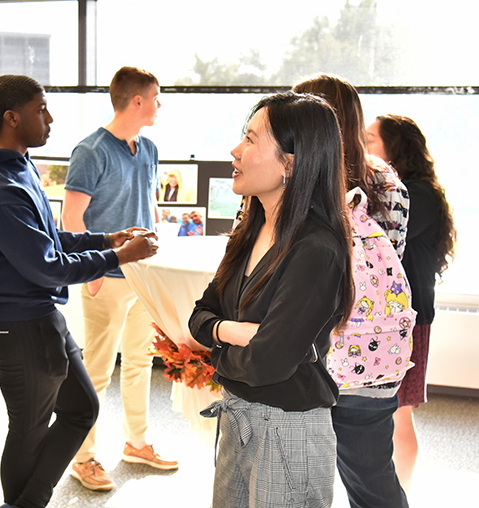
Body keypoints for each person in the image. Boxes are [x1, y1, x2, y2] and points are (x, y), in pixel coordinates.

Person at [0, 74, 158, 508]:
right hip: (14, 319)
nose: (50, 117)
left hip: (35, 313)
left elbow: (48, 238)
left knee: (81, 408)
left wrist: (107, 239)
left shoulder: (18, 164)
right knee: (30, 427)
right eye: (41, 109)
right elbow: (46, 266)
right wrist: (121, 258)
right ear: (11, 118)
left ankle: (27, 502)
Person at [189, 91, 353, 507]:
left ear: (291, 163)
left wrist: (218, 350)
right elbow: (198, 317)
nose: (235, 150)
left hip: (288, 429)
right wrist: (235, 331)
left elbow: (269, 362)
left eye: (250, 139)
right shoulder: (250, 228)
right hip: (239, 415)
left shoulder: (317, 249)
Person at [294, 74, 411, 508]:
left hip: (301, 356)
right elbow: (391, 261)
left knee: (293, 480)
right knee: (372, 480)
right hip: (372, 355)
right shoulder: (386, 181)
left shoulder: (291, 175)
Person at [63, 66, 178, 492]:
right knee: (96, 370)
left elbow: (149, 207)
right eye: (156, 97)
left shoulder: (147, 148)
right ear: (137, 101)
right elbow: (71, 217)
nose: (159, 104)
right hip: (105, 277)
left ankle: (138, 443)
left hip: (142, 278)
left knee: (140, 363)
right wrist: (88, 272)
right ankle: (84, 456)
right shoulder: (90, 151)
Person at [366, 114, 457, 492]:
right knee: (388, 415)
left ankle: (399, 494)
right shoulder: (405, 189)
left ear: (395, 147)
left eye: (370, 139)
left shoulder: (414, 194)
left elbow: (379, 239)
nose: (363, 145)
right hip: (396, 318)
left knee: (399, 414)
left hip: (409, 320)